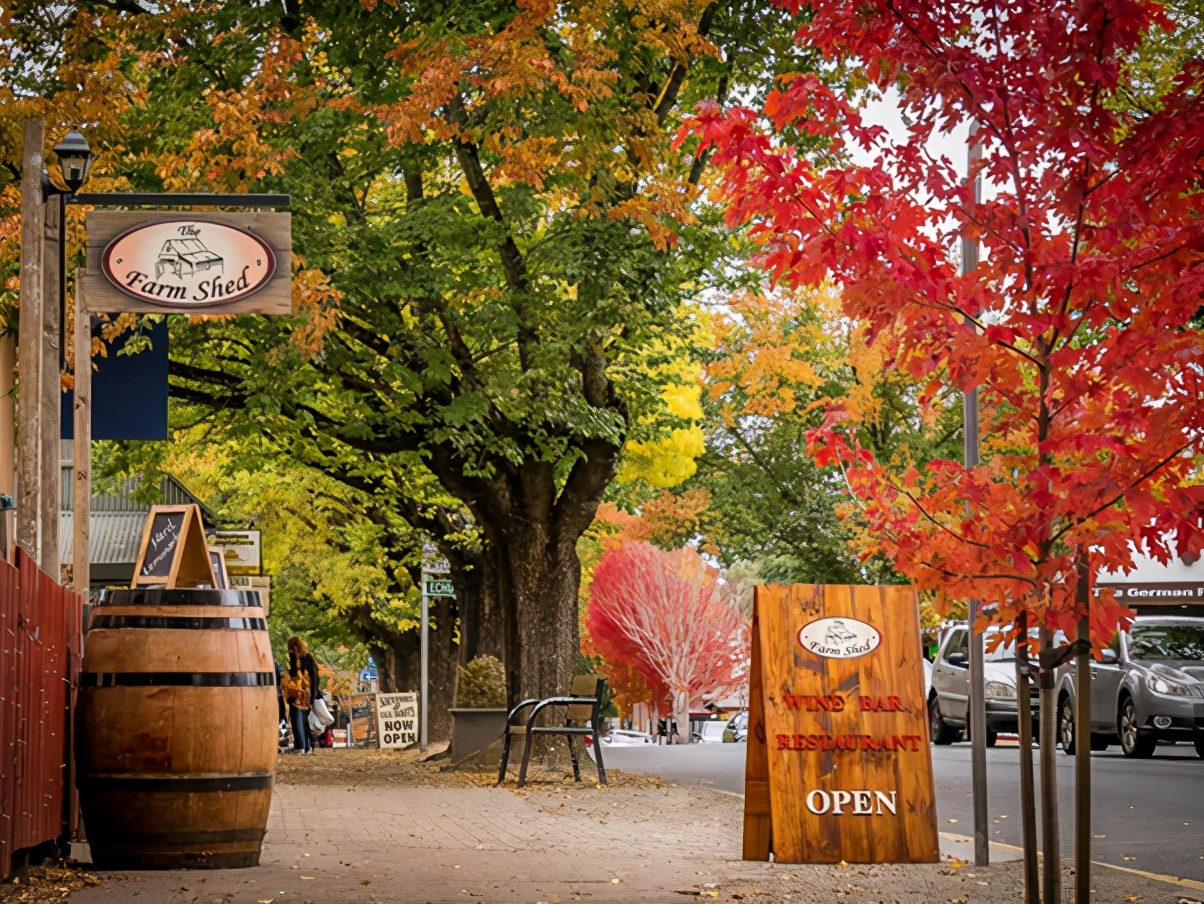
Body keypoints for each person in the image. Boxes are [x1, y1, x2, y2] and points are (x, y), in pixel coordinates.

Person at [285, 637, 319, 754]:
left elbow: (294, 675)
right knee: (303, 720)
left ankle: (301, 746)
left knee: (297, 719)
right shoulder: (309, 658)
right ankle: (307, 746)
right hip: (307, 693)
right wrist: (313, 696)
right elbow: (315, 677)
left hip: (297, 692)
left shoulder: (296, 658)